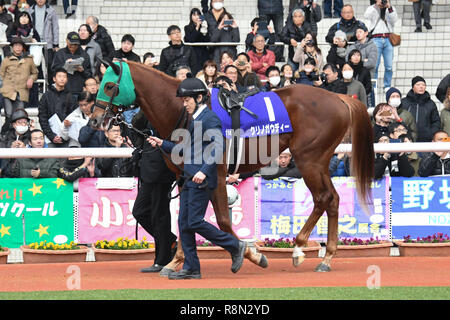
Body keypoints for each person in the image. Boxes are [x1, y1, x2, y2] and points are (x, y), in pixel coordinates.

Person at [147, 77, 247, 280]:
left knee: (193, 222)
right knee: (184, 223)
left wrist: (203, 170)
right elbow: (185, 149)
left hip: (200, 179)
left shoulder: (209, 118)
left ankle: (235, 245)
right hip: (189, 178)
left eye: (187, 100)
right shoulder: (195, 120)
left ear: (199, 97)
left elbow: (218, 147)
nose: (184, 104)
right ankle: (192, 268)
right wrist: (162, 144)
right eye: (183, 101)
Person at [130, 109, 177, 273]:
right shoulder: (146, 112)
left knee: (160, 215)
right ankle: (170, 241)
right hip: (148, 169)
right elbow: (136, 126)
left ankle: (163, 259)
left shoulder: (163, 112)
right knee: (139, 211)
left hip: (161, 170)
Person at [0, 37, 38, 134]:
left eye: (19, 45)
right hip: (8, 92)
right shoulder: (6, 59)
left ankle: (15, 136)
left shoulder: (29, 59)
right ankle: (5, 134)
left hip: (21, 92)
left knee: (19, 115)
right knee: (8, 114)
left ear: (22, 47)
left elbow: (35, 73)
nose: (17, 47)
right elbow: (1, 74)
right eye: (15, 45)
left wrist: (31, 79)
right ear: (12, 47)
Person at [364, 0, 398, 91]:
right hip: (376, 38)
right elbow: (366, 16)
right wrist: (376, 6)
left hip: (388, 38)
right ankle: (373, 85)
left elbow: (394, 20)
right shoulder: (372, 8)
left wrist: (389, 7)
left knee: (389, 66)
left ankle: (387, 85)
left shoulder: (390, 8)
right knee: (375, 65)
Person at [38, 67, 77, 148]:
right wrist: (52, 136)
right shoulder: (46, 96)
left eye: (64, 77)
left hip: (67, 136)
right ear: (54, 79)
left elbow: (74, 115)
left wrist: (69, 124)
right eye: (59, 76)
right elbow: (42, 118)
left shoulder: (71, 96)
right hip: (50, 137)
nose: (62, 79)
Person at [51, 31, 92, 98]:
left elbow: (89, 74)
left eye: (75, 44)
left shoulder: (84, 55)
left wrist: (82, 70)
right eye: (71, 44)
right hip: (62, 90)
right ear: (66, 41)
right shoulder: (60, 53)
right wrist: (64, 66)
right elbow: (53, 71)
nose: (73, 46)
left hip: (78, 90)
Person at [28, 0, 59, 84]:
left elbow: (55, 28)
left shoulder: (51, 10)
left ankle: (51, 84)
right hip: (35, 42)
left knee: (49, 64)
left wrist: (55, 44)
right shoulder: (30, 10)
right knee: (36, 64)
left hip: (47, 42)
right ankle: (40, 84)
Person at [401, 76, 441, 143]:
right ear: (413, 87)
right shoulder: (404, 102)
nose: (421, 87)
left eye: (423, 85)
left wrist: (430, 134)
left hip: (426, 141)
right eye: (418, 85)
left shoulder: (430, 104)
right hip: (406, 140)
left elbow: (436, 122)